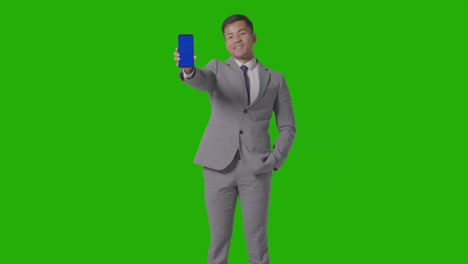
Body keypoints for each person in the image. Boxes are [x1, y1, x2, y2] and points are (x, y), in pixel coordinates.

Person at [174, 14, 296, 264]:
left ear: (253, 37)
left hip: (257, 168)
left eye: (240, 33)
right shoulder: (217, 68)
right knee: (218, 239)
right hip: (218, 166)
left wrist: (274, 160)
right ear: (226, 44)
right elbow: (201, 79)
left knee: (257, 238)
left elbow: (288, 126)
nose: (235, 39)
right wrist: (188, 69)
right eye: (229, 36)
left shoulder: (276, 78)